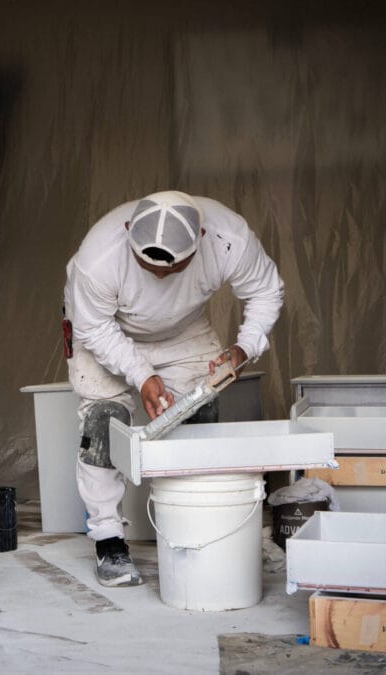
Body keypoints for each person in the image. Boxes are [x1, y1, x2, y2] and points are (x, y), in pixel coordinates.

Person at [63, 190, 284, 587]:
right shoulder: (96, 259)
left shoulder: (229, 237)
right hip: (105, 330)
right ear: (128, 229)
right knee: (102, 424)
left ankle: (206, 526)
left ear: (200, 236)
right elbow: (93, 327)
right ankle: (108, 542)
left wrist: (244, 347)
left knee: (201, 411)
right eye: (148, 266)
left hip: (183, 330)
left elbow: (266, 291)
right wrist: (142, 374)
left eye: (173, 267)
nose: (160, 275)